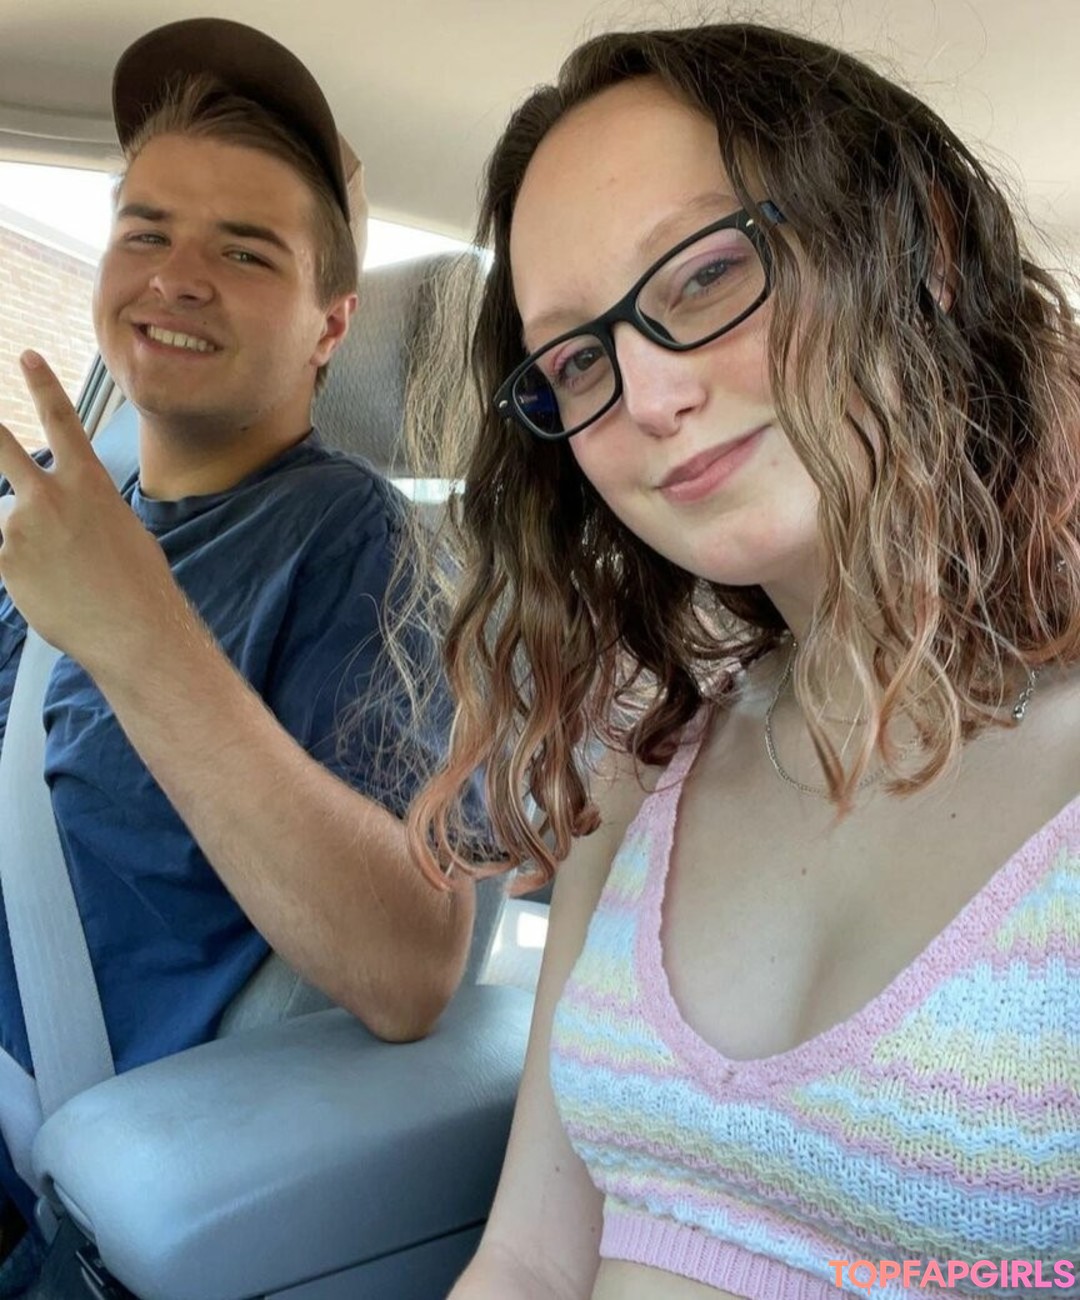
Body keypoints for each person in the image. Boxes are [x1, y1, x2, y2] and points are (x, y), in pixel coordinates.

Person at [403, 21, 1080, 1300]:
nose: (649, 396)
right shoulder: (640, 771)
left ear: (924, 247)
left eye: (707, 274)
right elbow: (530, 1260)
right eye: (579, 359)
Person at [0, 16, 474, 1270]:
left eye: (245, 250)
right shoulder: (56, 500)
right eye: (145, 230)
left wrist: (134, 630)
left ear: (330, 327)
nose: (175, 275)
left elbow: (412, 963)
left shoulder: (350, 539)